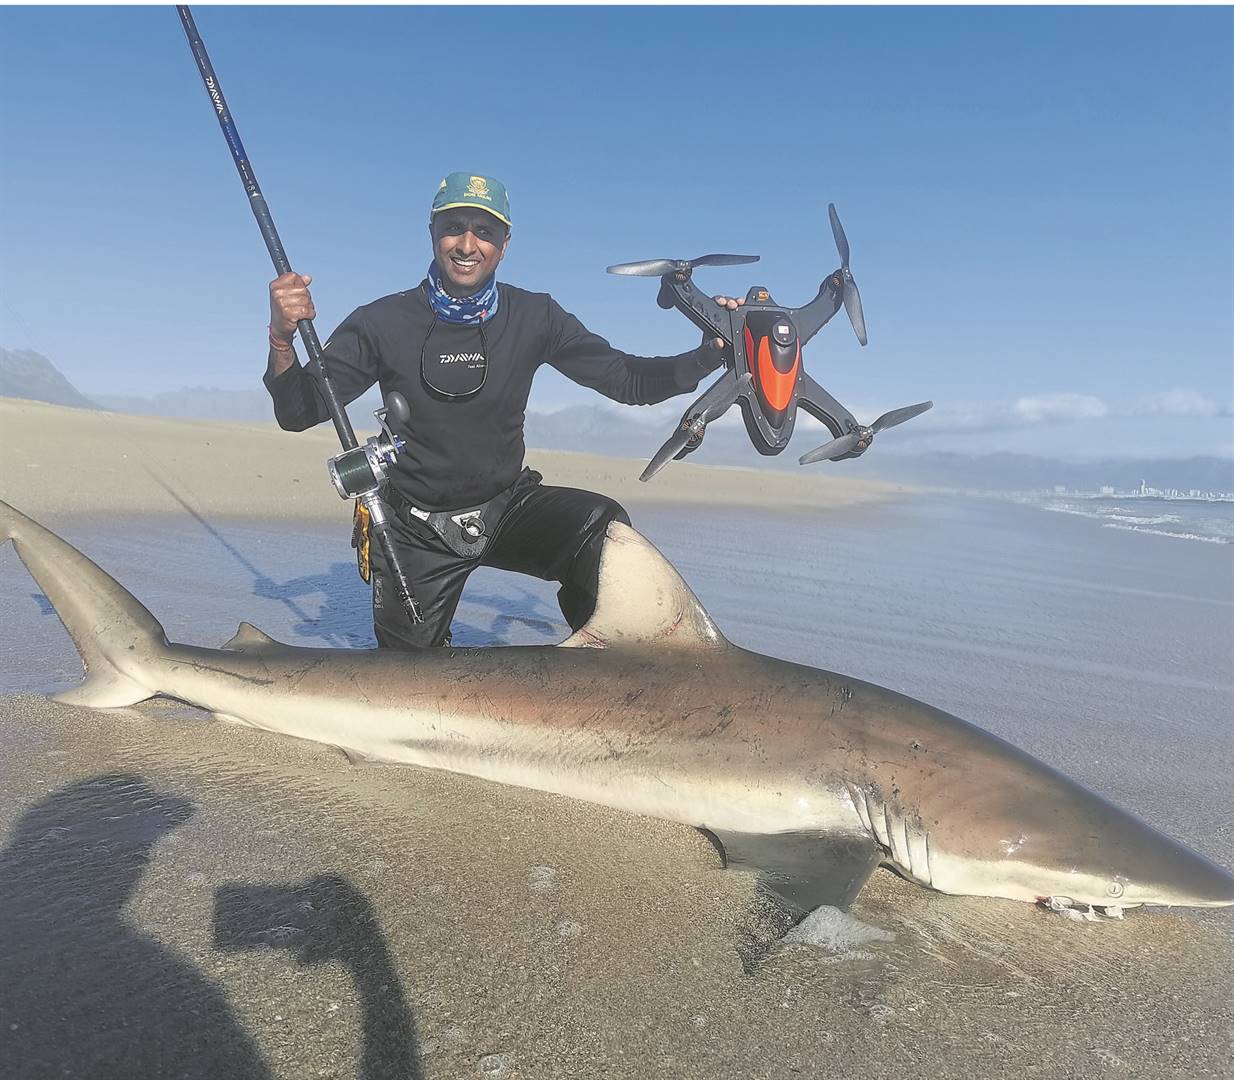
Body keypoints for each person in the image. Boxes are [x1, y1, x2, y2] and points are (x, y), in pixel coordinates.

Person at [264, 171, 738, 649]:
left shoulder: (535, 316)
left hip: (505, 508)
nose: (467, 245)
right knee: (406, 677)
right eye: (454, 227)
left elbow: (627, 380)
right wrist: (281, 338)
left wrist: (706, 356)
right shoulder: (382, 322)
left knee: (605, 530)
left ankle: (601, 658)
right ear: (432, 233)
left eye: (485, 232)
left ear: (504, 245)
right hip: (416, 529)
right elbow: (297, 410)